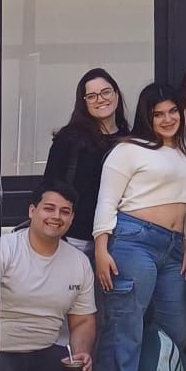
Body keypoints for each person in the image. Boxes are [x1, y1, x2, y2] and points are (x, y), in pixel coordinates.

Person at [92, 83, 186, 371]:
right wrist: (101, 247)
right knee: (125, 331)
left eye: (173, 111)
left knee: (175, 331)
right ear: (147, 118)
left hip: (173, 249)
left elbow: (185, 205)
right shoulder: (128, 150)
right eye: (158, 114)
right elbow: (107, 200)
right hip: (132, 241)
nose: (167, 119)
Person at [0, 182, 108, 371]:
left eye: (64, 211)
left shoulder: (79, 262)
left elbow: (82, 321)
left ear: (71, 218)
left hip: (42, 354)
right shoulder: (6, 249)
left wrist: (80, 355)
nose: (56, 216)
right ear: (32, 211)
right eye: (49, 208)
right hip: (3, 353)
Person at [43, 68, 131, 256]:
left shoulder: (130, 140)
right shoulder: (69, 139)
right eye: (91, 96)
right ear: (83, 103)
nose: (100, 99)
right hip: (75, 239)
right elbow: (50, 186)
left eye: (106, 92)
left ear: (116, 94)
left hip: (118, 240)